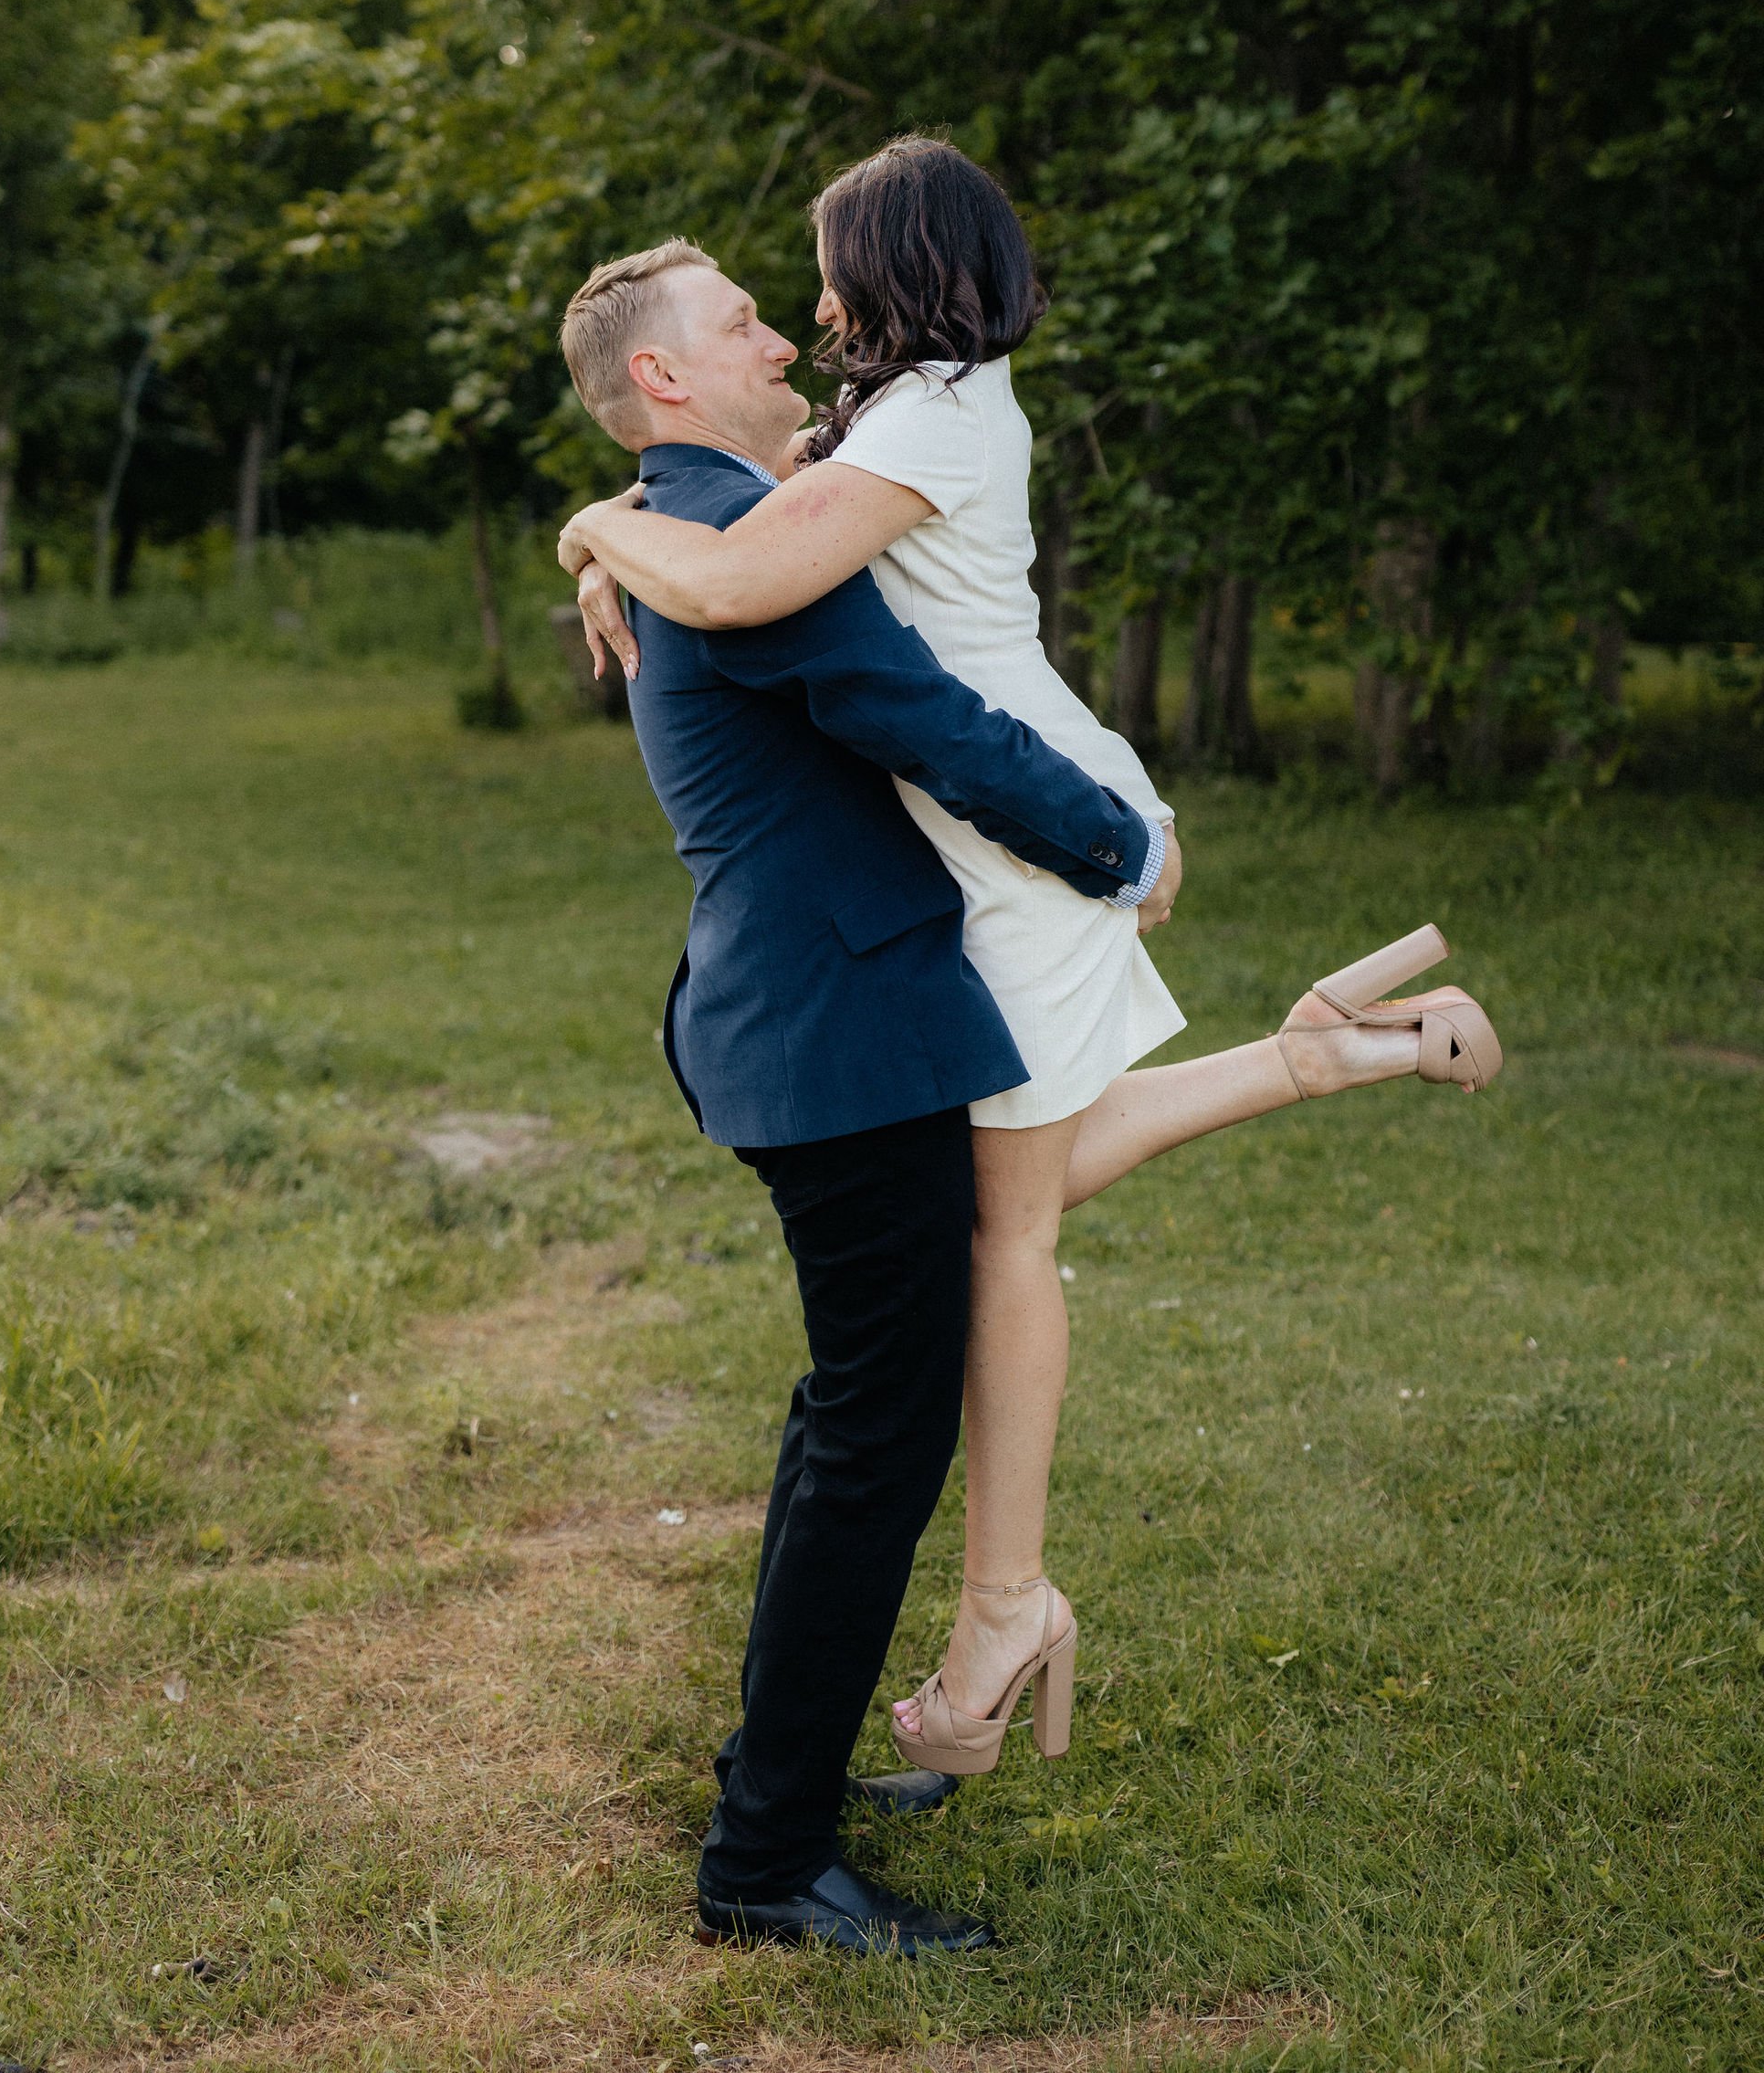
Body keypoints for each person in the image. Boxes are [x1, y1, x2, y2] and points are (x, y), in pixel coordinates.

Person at [558, 140, 1503, 1784]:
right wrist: (613, 530)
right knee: (1010, 1199)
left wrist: (593, 517)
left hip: (1034, 826)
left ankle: (1006, 1611)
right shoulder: (903, 415)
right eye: (767, 306)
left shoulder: (928, 419)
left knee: (1001, 1231)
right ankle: (1325, 1053)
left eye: (829, 273)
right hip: (1009, 823)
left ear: (903, 268)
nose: (810, 317)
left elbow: (740, 579)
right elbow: (727, 526)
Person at [556, 237, 1171, 1955]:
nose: (782, 336)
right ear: (662, 381)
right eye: (741, 321)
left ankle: (786, 1790)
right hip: (839, 1031)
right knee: (873, 1445)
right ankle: (762, 1865)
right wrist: (1124, 846)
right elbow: (919, 719)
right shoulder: (734, 543)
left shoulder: (705, 518)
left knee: (855, 1429)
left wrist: (595, 522)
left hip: (820, 1020)